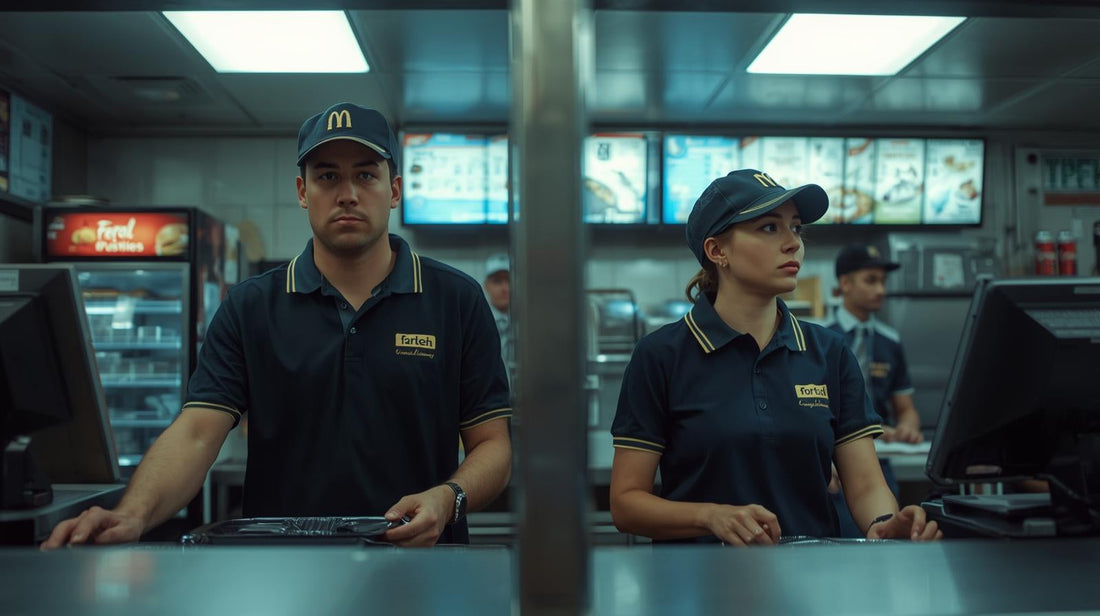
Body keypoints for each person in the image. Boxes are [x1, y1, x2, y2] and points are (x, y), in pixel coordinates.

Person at [43, 102, 512, 548]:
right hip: (281, 571)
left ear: (393, 190)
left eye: (365, 175)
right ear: (303, 192)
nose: (347, 193)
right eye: (328, 176)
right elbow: (197, 431)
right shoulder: (250, 307)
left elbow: (493, 445)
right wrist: (134, 513)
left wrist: (449, 499)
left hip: (423, 566)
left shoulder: (456, 300)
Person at [609, 169, 941, 545]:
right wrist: (709, 515)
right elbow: (626, 503)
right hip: (699, 586)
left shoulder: (829, 352)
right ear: (718, 251)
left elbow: (865, 485)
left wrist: (884, 524)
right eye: (770, 228)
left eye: (796, 228)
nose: (793, 244)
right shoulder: (660, 356)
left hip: (812, 585)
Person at [823, 243, 923, 444]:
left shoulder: (890, 340)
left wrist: (907, 427)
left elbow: (905, 409)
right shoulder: (820, 338)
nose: (881, 290)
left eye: (883, 281)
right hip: (830, 452)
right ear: (845, 284)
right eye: (871, 281)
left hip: (882, 450)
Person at [484, 253, 515, 391]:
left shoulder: (529, 327)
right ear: (487, 286)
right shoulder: (478, 323)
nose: (505, 288)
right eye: (497, 281)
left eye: (509, 281)